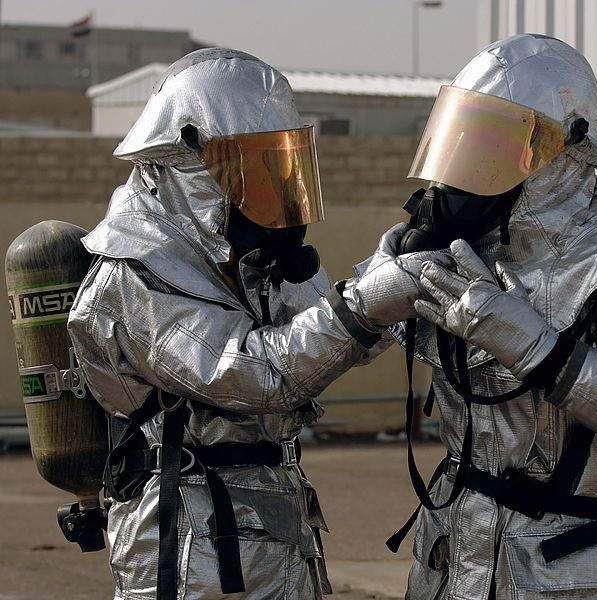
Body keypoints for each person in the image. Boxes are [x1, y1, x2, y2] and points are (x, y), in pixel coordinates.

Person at [67, 48, 433, 600]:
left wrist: (396, 263)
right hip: (191, 550)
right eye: (250, 171)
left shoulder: (245, 260)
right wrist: (364, 302)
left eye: (279, 168)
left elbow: (332, 343)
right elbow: (260, 374)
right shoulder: (133, 275)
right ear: (185, 167)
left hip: (271, 531)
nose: (271, 193)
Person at [379, 34, 597, 599]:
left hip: (575, 572)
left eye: (493, 147)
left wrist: (541, 350)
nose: (467, 170)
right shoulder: (462, 249)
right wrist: (377, 284)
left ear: (563, 151)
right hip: (458, 562)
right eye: (465, 142)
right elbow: (344, 345)